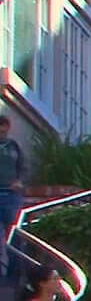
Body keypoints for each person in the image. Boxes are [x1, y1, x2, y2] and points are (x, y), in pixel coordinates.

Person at [0, 114, 27, 280]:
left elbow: (23, 168)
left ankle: (14, 274)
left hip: (11, 195)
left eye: (3, 127)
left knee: (14, 233)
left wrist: (19, 181)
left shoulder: (14, 147)